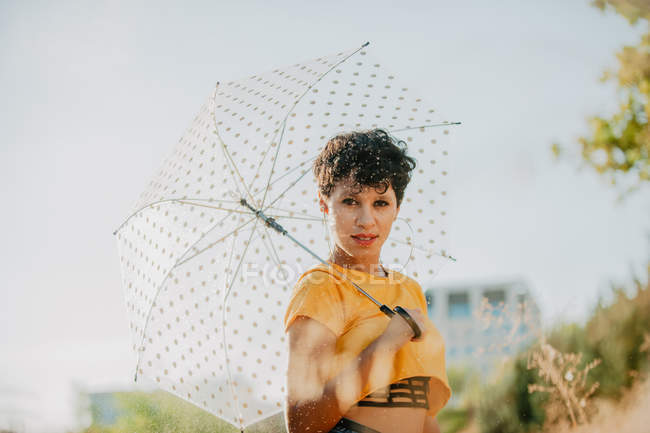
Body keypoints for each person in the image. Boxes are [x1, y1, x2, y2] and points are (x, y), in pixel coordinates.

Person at [284, 130, 451, 433]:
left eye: (381, 203)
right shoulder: (321, 289)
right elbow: (302, 423)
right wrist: (385, 344)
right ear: (324, 204)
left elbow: (420, 410)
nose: (366, 220)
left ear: (397, 208)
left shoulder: (409, 290)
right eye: (350, 201)